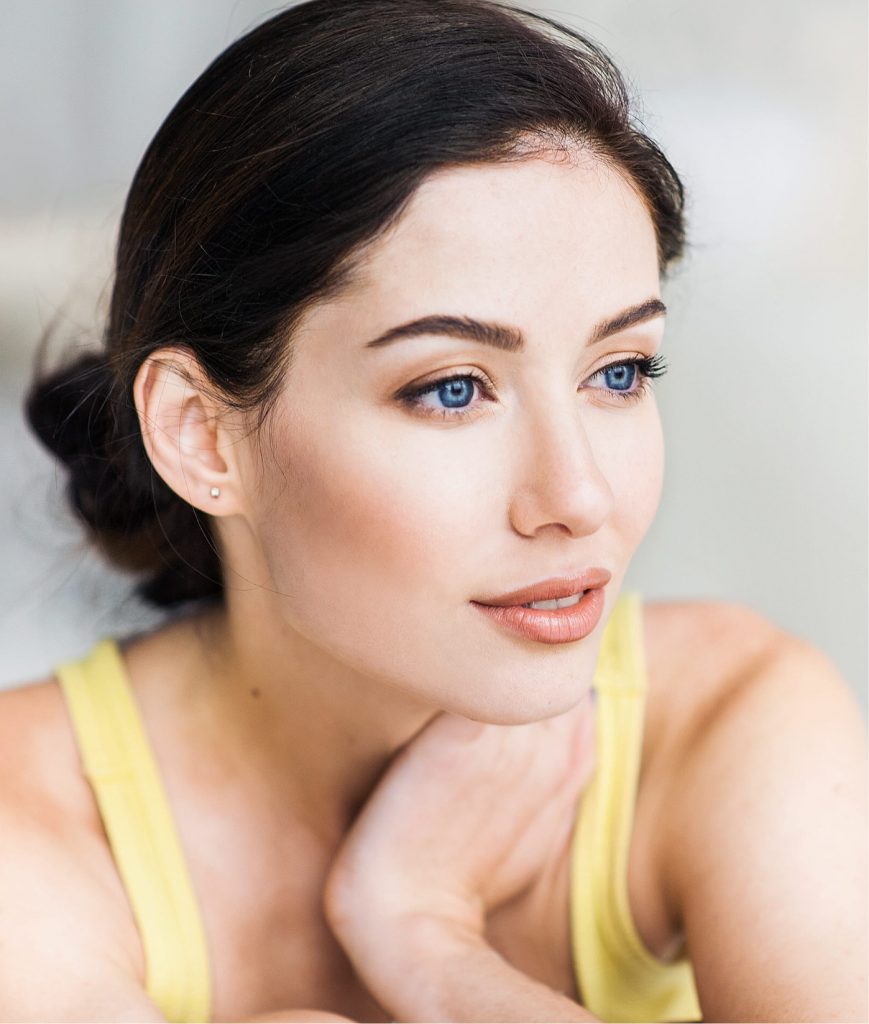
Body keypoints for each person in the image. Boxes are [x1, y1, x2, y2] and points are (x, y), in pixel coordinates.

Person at [2, 0, 865, 1021]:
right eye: (451, 387)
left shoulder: (730, 724)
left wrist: (424, 939)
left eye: (618, 371)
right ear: (201, 434)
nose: (578, 495)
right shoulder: (30, 827)